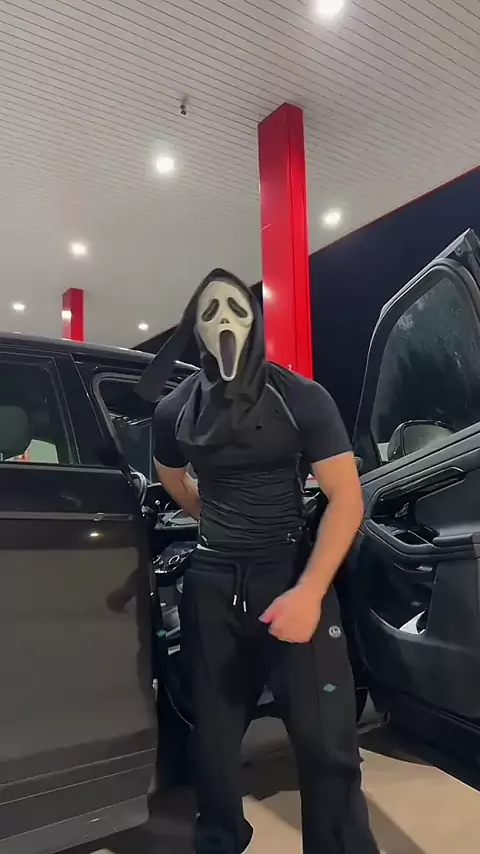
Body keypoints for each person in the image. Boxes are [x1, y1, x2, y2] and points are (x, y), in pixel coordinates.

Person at [137, 270, 379, 854]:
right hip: (213, 587)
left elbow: (346, 498)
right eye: (210, 310)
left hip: (290, 576)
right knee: (213, 747)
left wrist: (309, 593)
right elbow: (171, 477)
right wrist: (216, 522)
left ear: (254, 321)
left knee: (327, 744)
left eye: (235, 308)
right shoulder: (174, 410)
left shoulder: (301, 397)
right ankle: (220, 841)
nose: (224, 319)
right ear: (195, 327)